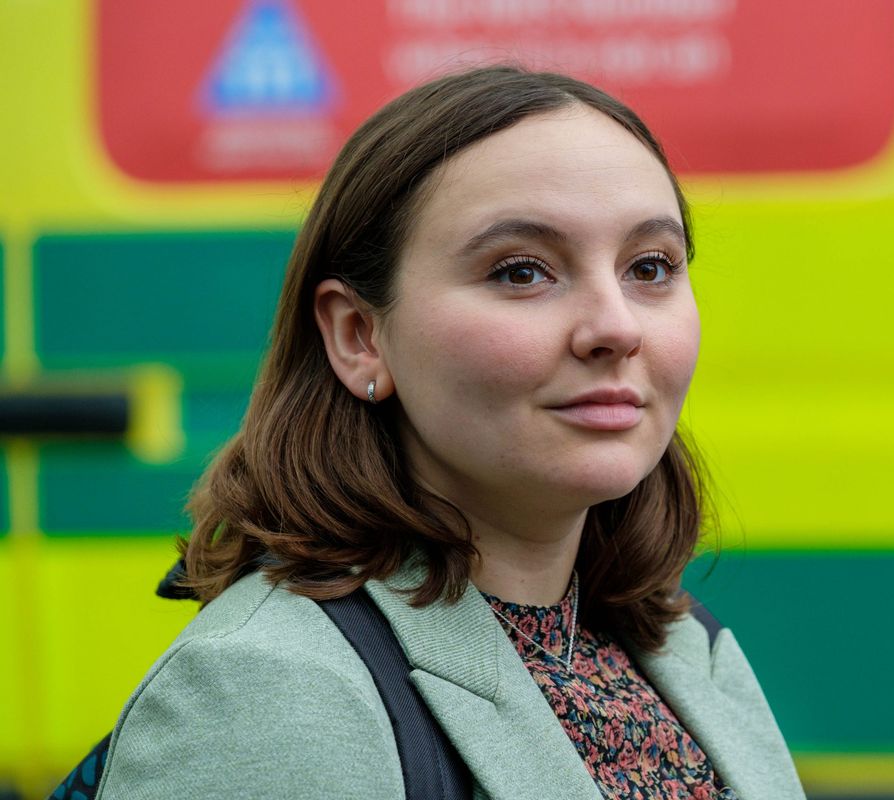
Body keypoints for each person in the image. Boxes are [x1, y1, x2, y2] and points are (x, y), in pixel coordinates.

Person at [94, 65, 805, 799]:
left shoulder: (676, 642)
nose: (616, 327)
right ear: (359, 335)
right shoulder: (270, 688)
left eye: (650, 266)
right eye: (523, 272)